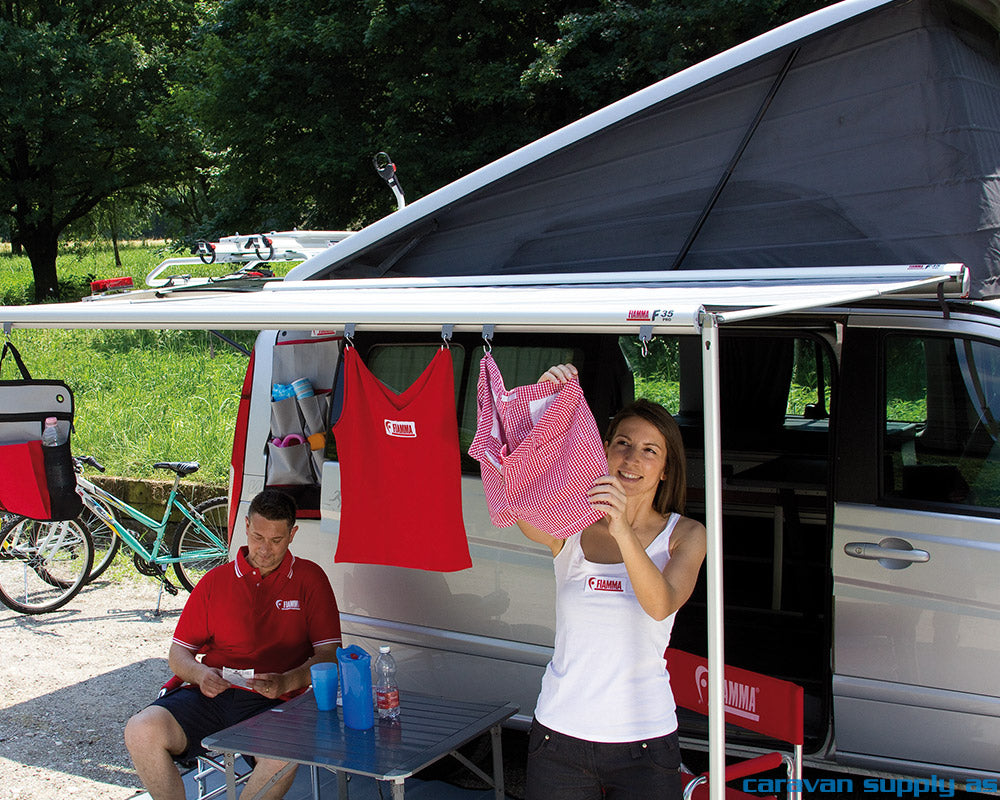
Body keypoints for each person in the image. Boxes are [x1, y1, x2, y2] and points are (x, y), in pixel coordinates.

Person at [519, 364, 707, 800]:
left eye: (649, 450)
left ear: (665, 470)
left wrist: (622, 528)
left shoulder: (686, 534)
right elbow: (521, 504)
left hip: (645, 741)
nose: (632, 458)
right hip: (559, 737)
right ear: (603, 450)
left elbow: (661, 604)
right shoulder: (570, 523)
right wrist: (541, 410)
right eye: (622, 443)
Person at [125, 489, 342, 800]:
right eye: (258, 537)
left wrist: (286, 681)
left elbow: (330, 655)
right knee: (141, 730)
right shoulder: (215, 581)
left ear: (292, 534)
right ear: (246, 526)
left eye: (276, 540)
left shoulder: (310, 579)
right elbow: (179, 653)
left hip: (275, 702)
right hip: (212, 694)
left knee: (281, 755)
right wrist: (201, 675)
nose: (264, 549)